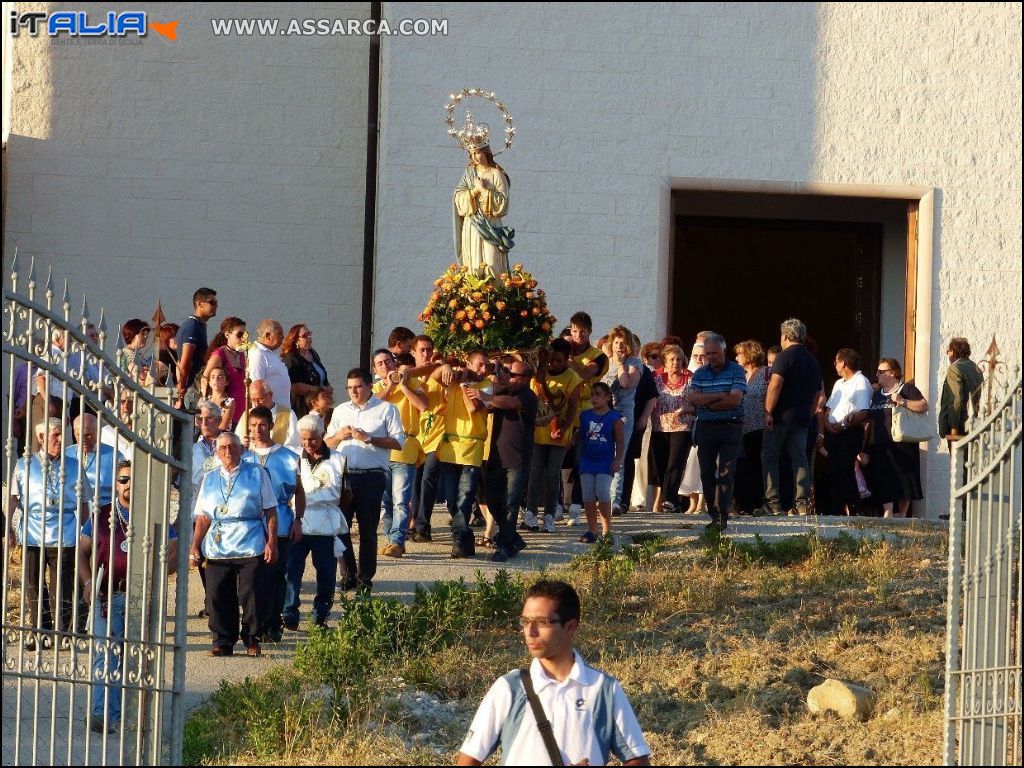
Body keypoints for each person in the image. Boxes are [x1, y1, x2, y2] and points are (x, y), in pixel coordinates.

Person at [457, 580, 651, 766]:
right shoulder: (509, 688)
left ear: (570, 627)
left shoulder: (603, 688)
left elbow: (637, 758)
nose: (530, 632)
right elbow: (469, 758)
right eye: (525, 621)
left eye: (542, 622)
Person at [79, 459, 177, 734]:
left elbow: (173, 550)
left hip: (140, 599)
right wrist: (87, 581)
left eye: (134, 479)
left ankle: (133, 716)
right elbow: (81, 551)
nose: (128, 484)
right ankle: (102, 715)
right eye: (123, 479)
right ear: (116, 483)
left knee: (135, 658)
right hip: (105, 597)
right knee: (104, 657)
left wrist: (155, 575)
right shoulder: (102, 515)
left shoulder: (152, 515)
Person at [191, 431, 277, 657]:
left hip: (250, 539)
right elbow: (202, 517)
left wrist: (272, 542)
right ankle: (223, 640)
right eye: (223, 448)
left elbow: (270, 509)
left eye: (232, 447)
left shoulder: (257, 473)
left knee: (252, 594)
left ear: (241, 449)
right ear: (217, 452)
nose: (228, 452)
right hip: (218, 543)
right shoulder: (209, 478)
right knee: (217, 594)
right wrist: (195, 545)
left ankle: (252, 638)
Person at [8, 419, 89, 650]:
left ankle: (62, 632)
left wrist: (85, 532)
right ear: (41, 438)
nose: (61, 440)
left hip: (65, 533)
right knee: (34, 584)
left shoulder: (74, 465)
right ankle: (38, 631)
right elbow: (14, 498)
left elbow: (84, 502)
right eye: (55, 435)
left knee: (62, 586)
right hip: (33, 533)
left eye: (62, 435)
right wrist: (9, 528)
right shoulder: (24, 465)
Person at [324, 368, 404, 595]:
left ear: (369, 386)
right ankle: (348, 574)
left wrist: (369, 438)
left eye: (358, 386)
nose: (353, 391)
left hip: (372, 475)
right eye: (349, 387)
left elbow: (399, 442)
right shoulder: (340, 411)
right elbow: (326, 444)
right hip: (345, 476)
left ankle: (365, 579)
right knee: (340, 528)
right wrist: (339, 436)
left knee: (368, 530)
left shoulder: (385, 409)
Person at [242, 405, 305, 642]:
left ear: (270, 426)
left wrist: (298, 519)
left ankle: (273, 623)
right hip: (249, 524)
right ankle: (253, 624)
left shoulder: (289, 457)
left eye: (261, 425)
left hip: (279, 520)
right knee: (253, 577)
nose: (257, 430)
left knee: (277, 575)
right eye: (253, 426)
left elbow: (299, 492)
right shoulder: (244, 456)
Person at [284, 414, 348, 630]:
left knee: (326, 573)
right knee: (292, 569)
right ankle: (289, 612)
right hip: (298, 521)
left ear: (322, 435)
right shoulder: (293, 457)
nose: (308, 444)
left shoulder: (339, 459)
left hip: (326, 522)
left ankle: (320, 614)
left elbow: (346, 493)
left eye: (312, 439)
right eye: (303, 439)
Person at [469, 359, 536, 562]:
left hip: (517, 460)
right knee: (492, 500)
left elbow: (512, 404)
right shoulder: (502, 393)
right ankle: (513, 537)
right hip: (496, 457)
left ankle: (505, 546)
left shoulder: (528, 396)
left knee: (510, 504)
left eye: (513, 374)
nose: (509, 377)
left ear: (525, 379)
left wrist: (486, 396)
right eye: (507, 373)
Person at [760, 318, 823, 517]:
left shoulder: (784, 357)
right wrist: (811, 412)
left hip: (780, 417)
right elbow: (817, 393)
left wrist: (768, 411)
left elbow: (775, 384)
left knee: (770, 457)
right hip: (803, 418)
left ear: (785, 336)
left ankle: (773, 504)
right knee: (800, 459)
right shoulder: (813, 361)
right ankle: (801, 504)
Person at [371, 349, 427, 558]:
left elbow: (423, 405)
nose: (385, 366)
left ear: (394, 363)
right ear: (375, 369)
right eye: (380, 364)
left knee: (401, 499)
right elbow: (371, 405)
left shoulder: (411, 383)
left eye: (387, 361)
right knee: (385, 501)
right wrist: (389, 387)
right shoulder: (375, 388)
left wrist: (402, 386)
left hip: (404, 447)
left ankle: (397, 540)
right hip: (381, 450)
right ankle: (390, 538)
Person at [688, 333, 747, 530]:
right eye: (707, 354)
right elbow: (693, 400)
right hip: (706, 427)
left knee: (726, 472)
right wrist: (722, 395)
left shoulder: (737, 371)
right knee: (706, 472)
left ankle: (722, 514)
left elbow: (735, 400)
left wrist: (709, 401)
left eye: (714, 353)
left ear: (723, 351)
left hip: (731, 426)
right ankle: (713, 513)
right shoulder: (699, 374)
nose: (710, 357)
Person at [524, 339, 581, 534]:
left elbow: (573, 408)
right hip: (538, 432)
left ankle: (549, 515)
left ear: (567, 360)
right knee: (535, 474)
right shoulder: (538, 375)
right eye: (550, 360)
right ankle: (530, 513)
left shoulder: (572, 378)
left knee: (552, 475)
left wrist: (565, 429)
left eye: (558, 361)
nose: (553, 364)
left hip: (559, 435)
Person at [862, 359, 927, 517]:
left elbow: (924, 405)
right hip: (880, 444)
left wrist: (902, 401)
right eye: (877, 371)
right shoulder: (877, 394)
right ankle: (888, 512)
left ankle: (902, 515)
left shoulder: (907, 389)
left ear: (893, 372)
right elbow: (870, 420)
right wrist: (864, 448)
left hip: (902, 444)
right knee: (884, 478)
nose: (877, 374)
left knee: (904, 479)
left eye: (881, 371)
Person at [818, 348, 873, 516]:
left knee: (846, 470)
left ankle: (854, 509)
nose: (834, 365)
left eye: (837, 361)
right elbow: (828, 408)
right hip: (833, 433)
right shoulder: (838, 383)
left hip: (849, 433)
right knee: (832, 470)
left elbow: (863, 411)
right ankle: (835, 510)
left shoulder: (861, 382)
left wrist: (842, 426)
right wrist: (827, 424)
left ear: (844, 363)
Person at [453, 140, 514, 274]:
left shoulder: (496, 174)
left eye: (477, 152)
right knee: (474, 264)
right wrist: (475, 191)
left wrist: (484, 190)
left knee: (492, 262)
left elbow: (502, 204)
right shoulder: (469, 174)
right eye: (471, 153)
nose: (474, 156)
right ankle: (475, 293)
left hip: (491, 224)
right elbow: (458, 198)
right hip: (473, 224)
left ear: (486, 152)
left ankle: (494, 292)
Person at [576, 382, 624, 544]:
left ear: (607, 397)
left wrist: (617, 460)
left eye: (598, 394)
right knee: (588, 495)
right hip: (587, 460)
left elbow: (620, 442)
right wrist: (568, 440)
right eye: (592, 394)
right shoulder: (585, 416)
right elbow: (580, 436)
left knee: (602, 492)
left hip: (605, 461)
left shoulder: (614, 417)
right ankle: (592, 530)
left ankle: (606, 531)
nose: (594, 398)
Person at [649, 344, 695, 515]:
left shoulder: (690, 379)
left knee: (674, 464)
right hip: (659, 427)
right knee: (661, 466)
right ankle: (668, 499)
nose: (676, 362)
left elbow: (696, 402)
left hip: (682, 427)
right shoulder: (656, 379)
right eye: (672, 359)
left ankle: (671, 500)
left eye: (678, 359)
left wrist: (686, 409)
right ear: (665, 363)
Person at [601, 327, 642, 516]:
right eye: (616, 342)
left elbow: (626, 383)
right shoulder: (605, 363)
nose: (620, 346)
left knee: (619, 457)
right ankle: (600, 498)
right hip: (602, 415)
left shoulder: (635, 364)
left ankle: (614, 501)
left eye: (623, 342)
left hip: (623, 415)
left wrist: (620, 366)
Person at [733, 340, 768, 515]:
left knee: (755, 464)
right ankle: (742, 504)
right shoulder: (739, 375)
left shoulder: (765, 373)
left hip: (759, 426)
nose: (736, 356)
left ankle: (756, 503)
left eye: (740, 353)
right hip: (741, 427)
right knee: (741, 465)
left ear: (749, 354)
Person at [67, 413, 121, 508]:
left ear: (98, 432)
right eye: (78, 434)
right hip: (70, 515)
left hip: (103, 514)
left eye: (87, 435)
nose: (83, 439)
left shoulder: (115, 456)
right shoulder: (65, 454)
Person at [202, 316, 248, 429]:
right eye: (239, 334)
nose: (243, 338)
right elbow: (205, 378)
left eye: (245, 335)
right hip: (225, 410)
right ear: (227, 335)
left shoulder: (242, 355)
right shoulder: (219, 354)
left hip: (242, 412)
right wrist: (207, 402)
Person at [175, 287, 217, 406]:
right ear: (199, 304)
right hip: (190, 389)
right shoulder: (192, 327)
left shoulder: (200, 326)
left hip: (195, 387)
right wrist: (181, 395)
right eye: (212, 302)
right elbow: (185, 362)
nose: (215, 306)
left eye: (216, 303)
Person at [235, 379, 301, 452]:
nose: (256, 404)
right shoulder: (247, 415)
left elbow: (294, 445)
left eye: (260, 399)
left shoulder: (288, 415)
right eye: (253, 400)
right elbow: (237, 441)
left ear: (270, 395)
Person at [938, 337, 984, 439]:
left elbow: (956, 400)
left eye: (948, 351)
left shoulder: (954, 368)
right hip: (973, 422)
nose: (948, 355)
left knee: (957, 455)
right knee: (969, 455)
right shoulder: (977, 369)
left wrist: (953, 427)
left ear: (954, 351)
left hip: (958, 425)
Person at [282, 324, 332, 418]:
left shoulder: (313, 353)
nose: (309, 337)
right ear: (296, 340)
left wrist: (328, 386)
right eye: (305, 336)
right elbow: (295, 386)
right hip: (302, 407)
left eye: (309, 334)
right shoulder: (291, 358)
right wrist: (320, 390)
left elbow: (320, 374)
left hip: (318, 407)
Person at [246, 318, 292, 417]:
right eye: (279, 333)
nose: (283, 337)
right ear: (267, 335)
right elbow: (256, 386)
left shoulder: (270, 353)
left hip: (282, 412)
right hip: (269, 415)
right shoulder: (258, 353)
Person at [206, 367, 237, 432]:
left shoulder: (229, 402)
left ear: (226, 382)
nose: (216, 379)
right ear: (209, 382)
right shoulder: (205, 401)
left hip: (221, 436)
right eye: (213, 377)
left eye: (220, 377)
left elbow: (223, 426)